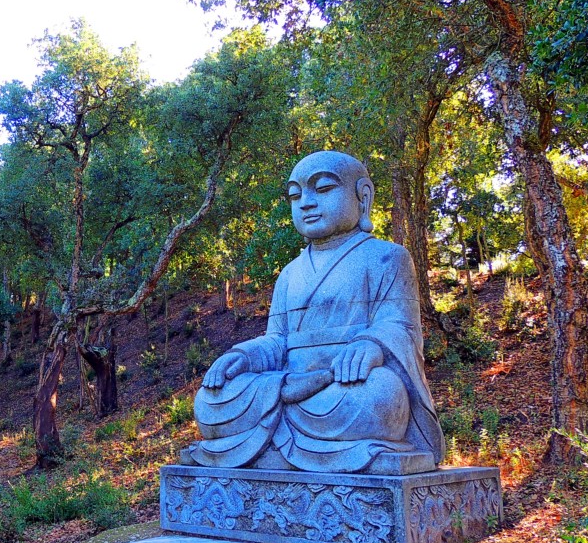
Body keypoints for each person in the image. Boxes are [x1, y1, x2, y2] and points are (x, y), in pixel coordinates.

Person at [185, 151, 444, 473]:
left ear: (363, 197)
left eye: (322, 189)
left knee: (380, 395)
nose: (306, 202)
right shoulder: (290, 274)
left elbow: (400, 324)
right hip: (290, 382)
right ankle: (289, 410)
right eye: (296, 195)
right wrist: (245, 355)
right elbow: (278, 339)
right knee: (210, 399)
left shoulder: (387, 257)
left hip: (347, 385)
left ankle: (273, 437)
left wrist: (371, 345)